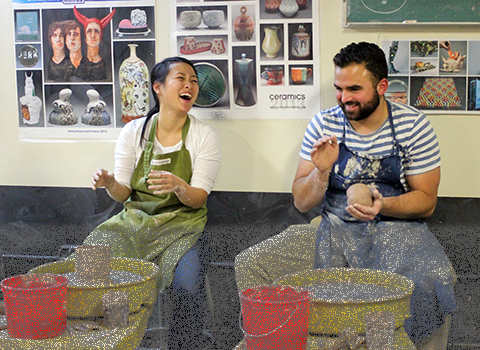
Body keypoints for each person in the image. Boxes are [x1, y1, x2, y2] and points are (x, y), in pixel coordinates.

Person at [235, 42, 456, 346]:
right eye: (339, 88)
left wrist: (383, 204)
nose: (344, 98)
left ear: (382, 86)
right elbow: (301, 201)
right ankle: (285, 341)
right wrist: (321, 171)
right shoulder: (325, 123)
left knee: (436, 278)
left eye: (354, 89)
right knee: (252, 263)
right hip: (330, 229)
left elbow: (427, 202)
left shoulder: (412, 126)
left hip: (396, 229)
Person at [84, 56, 221, 349]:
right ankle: (111, 341)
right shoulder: (134, 132)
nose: (190, 85)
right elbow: (123, 194)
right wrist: (109, 183)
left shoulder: (202, 135)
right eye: (181, 78)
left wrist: (180, 187)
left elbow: (198, 199)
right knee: (90, 266)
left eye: (194, 80)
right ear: (158, 88)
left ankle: (183, 345)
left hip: (182, 227)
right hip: (136, 222)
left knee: (187, 284)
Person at [73, 6, 115, 81]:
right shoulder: (81, 64)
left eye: (96, 31)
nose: (92, 36)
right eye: (89, 31)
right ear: (85, 37)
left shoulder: (106, 65)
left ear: (100, 37)